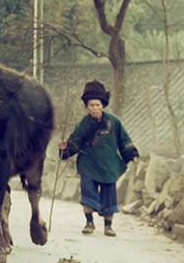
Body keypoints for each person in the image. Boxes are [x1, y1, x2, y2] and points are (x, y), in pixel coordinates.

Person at [58, 80, 139, 237]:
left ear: (103, 105)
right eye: (91, 105)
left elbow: (124, 140)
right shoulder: (83, 124)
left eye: (98, 105)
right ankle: (89, 223)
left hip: (108, 165)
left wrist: (132, 154)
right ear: (87, 107)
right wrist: (65, 149)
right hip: (88, 164)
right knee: (88, 194)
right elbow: (74, 142)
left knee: (109, 196)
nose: (95, 108)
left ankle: (108, 226)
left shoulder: (114, 122)